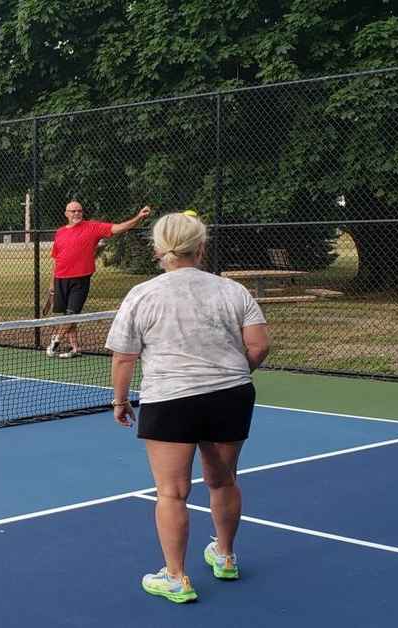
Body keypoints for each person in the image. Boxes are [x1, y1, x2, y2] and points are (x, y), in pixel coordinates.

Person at [104, 212, 270, 604]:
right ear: (201, 247)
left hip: (170, 399)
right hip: (230, 395)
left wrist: (121, 401)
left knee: (172, 492)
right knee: (224, 479)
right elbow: (259, 346)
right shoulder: (233, 291)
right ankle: (225, 556)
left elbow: (124, 357)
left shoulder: (142, 294)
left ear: (158, 250)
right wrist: (231, 371)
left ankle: (177, 578)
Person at [47, 200, 152, 358]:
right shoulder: (60, 232)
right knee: (67, 315)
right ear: (66, 214)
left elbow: (117, 228)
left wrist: (138, 217)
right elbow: (57, 258)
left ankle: (55, 340)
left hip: (80, 279)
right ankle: (75, 348)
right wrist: (52, 283)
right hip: (60, 278)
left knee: (72, 314)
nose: (77, 214)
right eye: (73, 211)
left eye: (79, 211)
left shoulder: (92, 227)